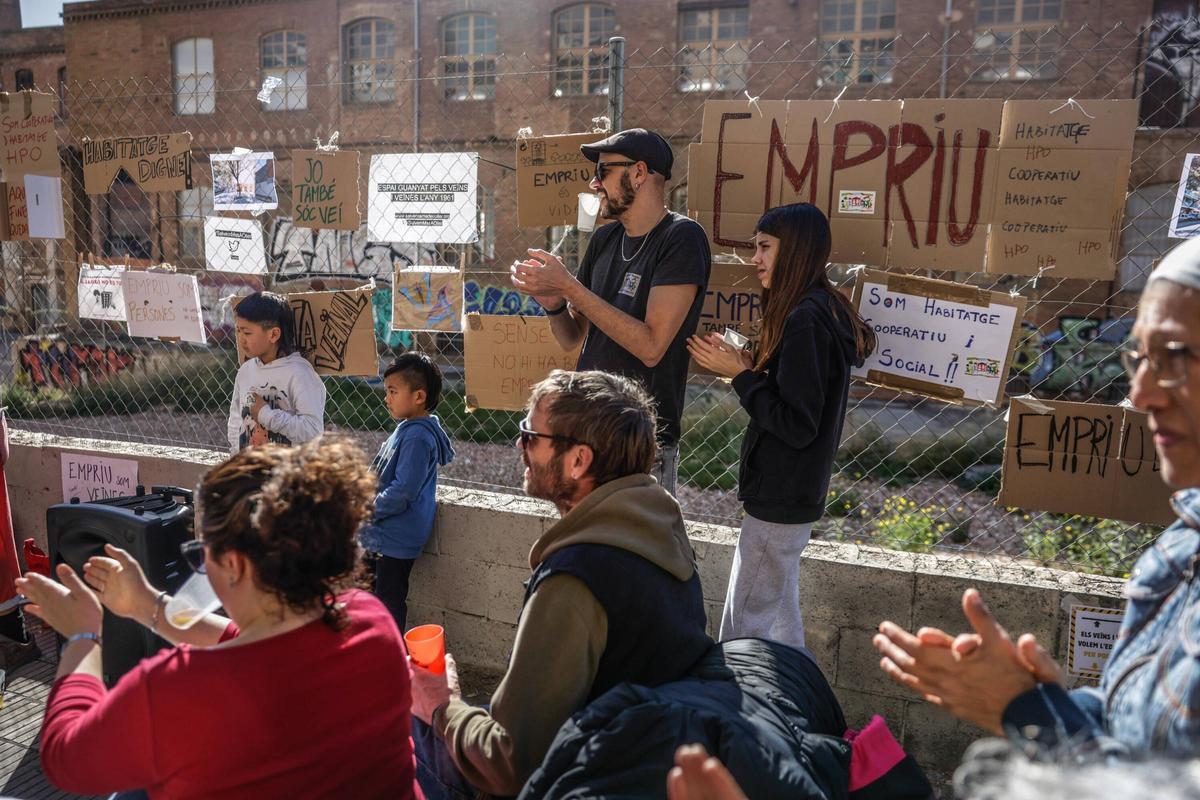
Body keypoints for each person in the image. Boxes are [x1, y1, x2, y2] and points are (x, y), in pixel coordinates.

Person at [872, 236, 1200, 758]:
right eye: (1140, 356)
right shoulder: (1183, 545)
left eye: (1175, 358)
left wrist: (1028, 714)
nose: (1138, 395)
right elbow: (1141, 735)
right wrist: (1050, 705)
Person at [21, 438, 420, 799]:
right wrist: (147, 605)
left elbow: (65, 758)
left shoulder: (176, 690)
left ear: (233, 563)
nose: (201, 565)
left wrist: (82, 636)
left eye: (201, 551)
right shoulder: (370, 621)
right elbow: (249, 645)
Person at [409, 370, 713, 798]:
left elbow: (511, 765)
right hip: (636, 762)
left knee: (412, 724)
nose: (519, 445)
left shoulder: (574, 581)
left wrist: (441, 704)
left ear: (578, 460)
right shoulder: (658, 526)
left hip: (579, 779)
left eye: (530, 435)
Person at [688, 203, 874, 649]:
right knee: (779, 619)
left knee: (744, 626)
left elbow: (796, 423)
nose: (755, 259)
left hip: (782, 494)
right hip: (789, 493)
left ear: (796, 251)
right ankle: (804, 707)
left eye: (765, 247)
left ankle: (738, 705)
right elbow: (799, 402)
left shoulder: (806, 318)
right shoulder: (819, 309)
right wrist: (750, 367)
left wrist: (741, 376)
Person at [510, 128, 712, 494]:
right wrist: (554, 304)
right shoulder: (605, 239)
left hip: (638, 440)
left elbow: (652, 347)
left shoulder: (681, 238)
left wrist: (569, 286)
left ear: (638, 172)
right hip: (585, 430)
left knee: (631, 546)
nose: (593, 183)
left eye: (603, 172)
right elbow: (572, 337)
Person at [359, 352, 455, 632]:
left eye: (392, 391)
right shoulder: (408, 429)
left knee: (388, 599)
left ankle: (390, 656)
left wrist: (367, 509)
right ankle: (372, 649)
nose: (386, 397)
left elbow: (403, 491)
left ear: (419, 396)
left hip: (393, 535)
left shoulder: (416, 436)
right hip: (383, 532)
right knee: (369, 596)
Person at [226, 291, 325, 452]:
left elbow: (313, 430)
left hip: (287, 473)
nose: (241, 338)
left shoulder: (299, 373)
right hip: (250, 471)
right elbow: (236, 421)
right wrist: (236, 458)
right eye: (238, 331)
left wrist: (266, 415)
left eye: (247, 332)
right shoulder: (246, 371)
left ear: (273, 334)